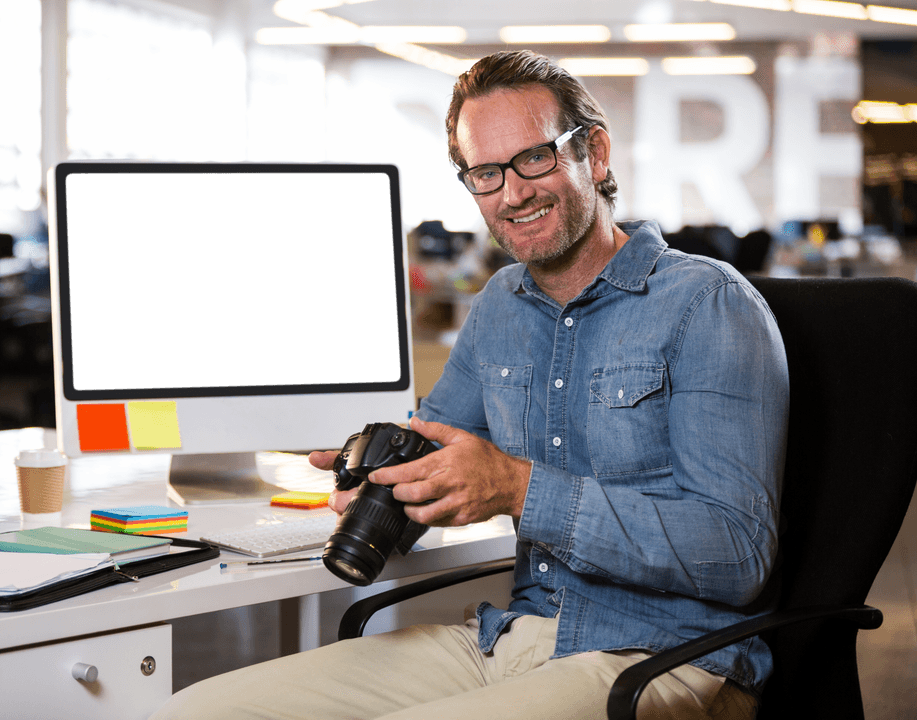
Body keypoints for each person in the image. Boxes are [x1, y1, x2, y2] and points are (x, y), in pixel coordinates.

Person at [153, 49, 788, 720]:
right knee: (191, 712)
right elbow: (433, 453)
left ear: (594, 154)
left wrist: (516, 487)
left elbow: (738, 555)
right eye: (486, 173)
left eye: (534, 159)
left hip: (669, 661)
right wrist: (379, 477)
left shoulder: (706, 304)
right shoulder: (500, 306)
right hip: (507, 640)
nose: (512, 194)